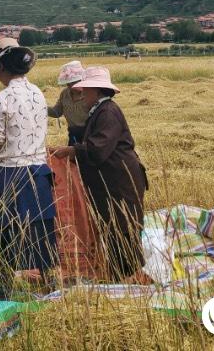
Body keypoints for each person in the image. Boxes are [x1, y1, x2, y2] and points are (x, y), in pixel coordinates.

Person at [0, 38, 58, 297]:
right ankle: (49, 283)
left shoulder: (1, 98)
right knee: (39, 230)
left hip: (9, 174)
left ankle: (4, 289)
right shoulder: (38, 93)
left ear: (2, 69)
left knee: (5, 232)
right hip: (38, 173)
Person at [50, 67, 148, 282]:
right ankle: (117, 275)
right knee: (111, 226)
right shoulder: (99, 111)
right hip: (110, 181)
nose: (82, 94)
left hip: (120, 181)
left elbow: (98, 148)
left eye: (85, 90)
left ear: (96, 90)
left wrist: (72, 151)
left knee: (122, 226)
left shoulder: (108, 112)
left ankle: (127, 277)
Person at [47, 60, 89, 145]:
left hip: (90, 134)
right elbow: (57, 112)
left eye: (75, 82)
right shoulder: (65, 94)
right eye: (69, 83)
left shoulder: (89, 93)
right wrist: (41, 107)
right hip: (73, 133)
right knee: (72, 157)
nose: (71, 85)